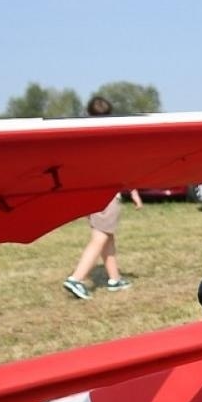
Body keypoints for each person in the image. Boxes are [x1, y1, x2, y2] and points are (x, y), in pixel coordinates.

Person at [63, 95, 140, 300]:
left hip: (91, 196)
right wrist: (133, 192)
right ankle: (76, 279)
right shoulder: (111, 138)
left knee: (107, 237)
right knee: (99, 238)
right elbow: (120, 168)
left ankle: (115, 279)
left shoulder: (84, 138)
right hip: (107, 197)